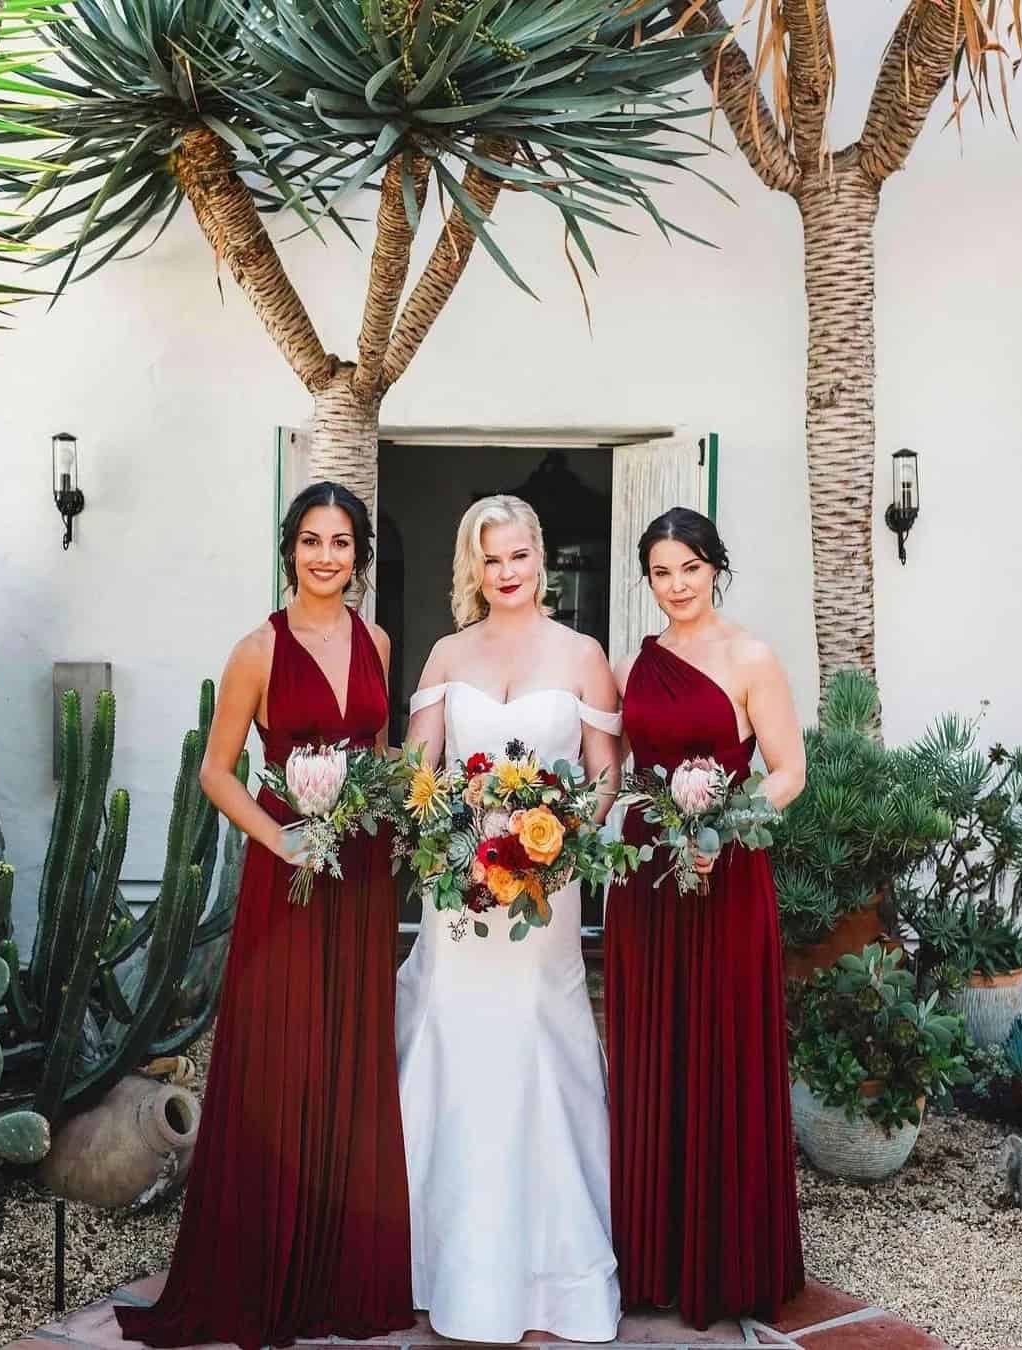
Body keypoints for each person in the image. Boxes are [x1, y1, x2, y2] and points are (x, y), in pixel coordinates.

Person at [116, 482, 412, 1349]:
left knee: (351, 1052)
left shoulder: (378, 640)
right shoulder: (257, 648)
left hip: (357, 873)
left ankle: (339, 1267)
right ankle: (271, 1264)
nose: (328, 556)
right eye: (313, 540)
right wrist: (279, 844)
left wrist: (392, 830)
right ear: (290, 550)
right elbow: (217, 770)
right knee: (282, 1058)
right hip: (288, 875)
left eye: (344, 542)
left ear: (360, 555)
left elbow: (381, 752)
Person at [396, 494, 623, 1344]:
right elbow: (418, 774)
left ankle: (549, 1280)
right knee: (456, 1046)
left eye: (519, 555)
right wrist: (449, 834)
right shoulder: (447, 653)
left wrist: (562, 843)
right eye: (490, 560)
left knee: (539, 1045)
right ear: (474, 567)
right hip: (459, 898)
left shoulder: (583, 656)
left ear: (539, 557)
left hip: (544, 891)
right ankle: (439, 1266)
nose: (507, 573)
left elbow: (604, 775)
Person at [605, 506, 805, 1329]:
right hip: (650, 875)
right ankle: (653, 1258)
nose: (677, 585)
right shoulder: (637, 664)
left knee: (721, 1045)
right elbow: (616, 769)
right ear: (648, 581)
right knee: (655, 1046)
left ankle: (727, 1262)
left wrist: (725, 829)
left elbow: (789, 771)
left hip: (726, 874)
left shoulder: (751, 655)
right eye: (661, 572)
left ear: (715, 567)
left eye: (690, 567)